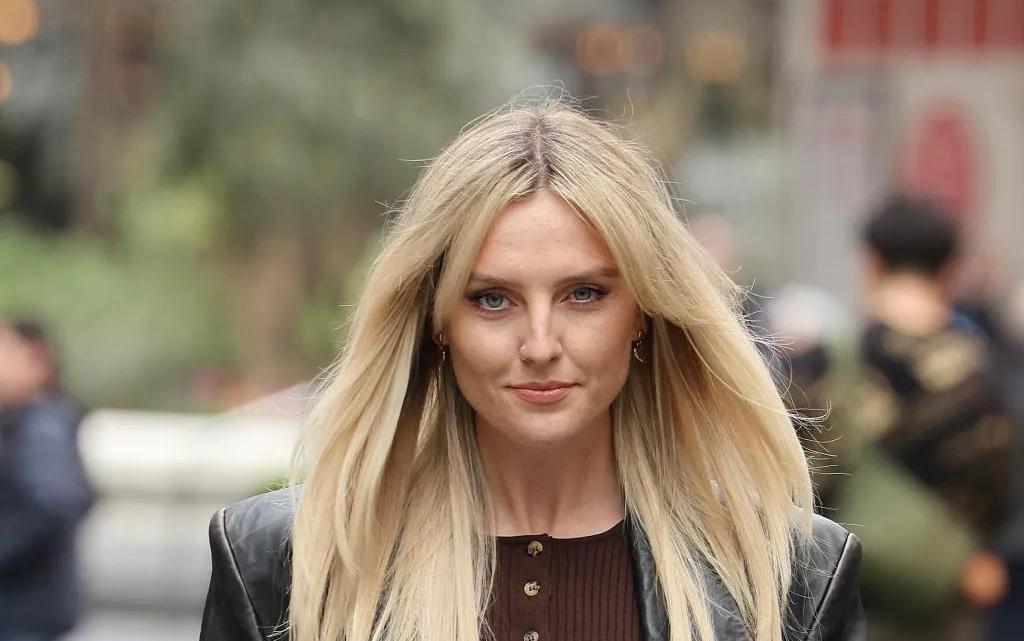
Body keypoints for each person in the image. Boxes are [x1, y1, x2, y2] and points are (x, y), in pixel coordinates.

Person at [200, 101, 864, 641]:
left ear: (643, 312)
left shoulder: (786, 576)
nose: (540, 343)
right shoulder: (291, 559)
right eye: (493, 299)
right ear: (438, 320)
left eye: (584, 294)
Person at [838, 196, 1014, 641]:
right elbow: (1003, 496)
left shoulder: (834, 366)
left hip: (854, 605)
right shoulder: (988, 375)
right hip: (954, 606)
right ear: (949, 269)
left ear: (871, 263)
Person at [0, 319, 94, 641]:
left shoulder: (41, 425)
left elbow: (54, 502)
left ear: (37, 357)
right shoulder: (27, 421)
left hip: (23, 610)